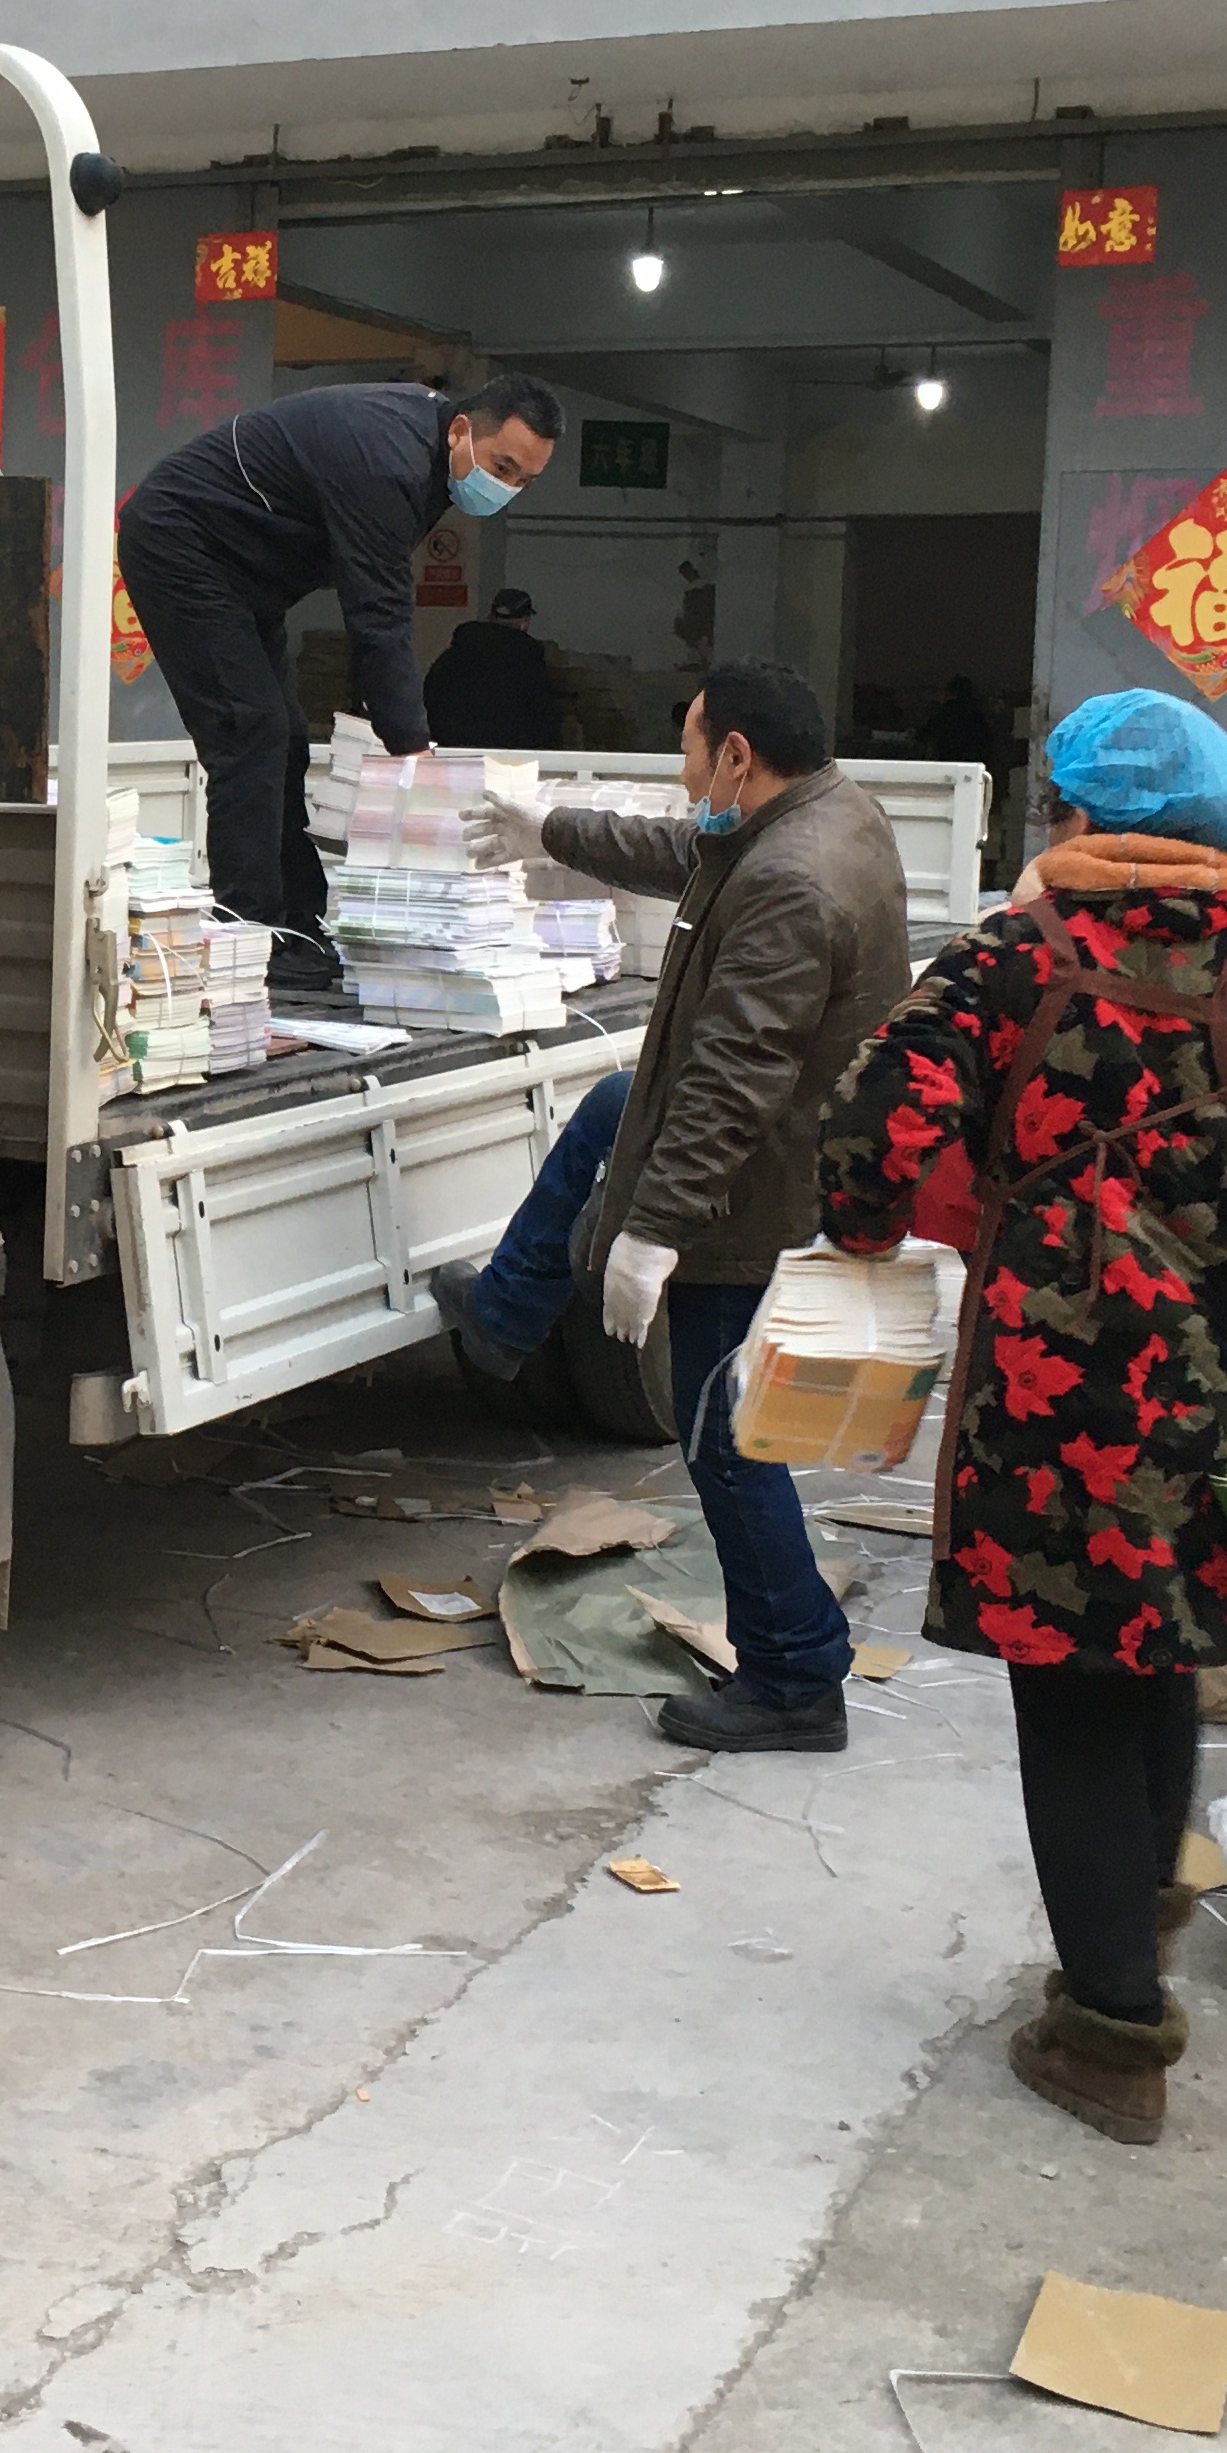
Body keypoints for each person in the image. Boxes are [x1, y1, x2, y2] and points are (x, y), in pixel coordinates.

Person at [812, 689, 1227, 2145]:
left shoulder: (1011, 960)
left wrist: (861, 1227)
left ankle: (1108, 2034)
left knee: (1076, 1695)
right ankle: (1138, 1918)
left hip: (1053, 1394)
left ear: (1085, 819)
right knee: (1165, 1656)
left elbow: (871, 1123)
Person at [429, 659, 912, 1754]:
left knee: (727, 1442)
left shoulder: (791, 884)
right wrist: (550, 829)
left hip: (754, 1197)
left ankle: (794, 1679)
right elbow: (681, 849)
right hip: (786, 1157)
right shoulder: (823, 813)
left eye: (690, 749)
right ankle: (506, 1314)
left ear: (737, 754)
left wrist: (653, 1232)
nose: (684, 774)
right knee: (612, 1104)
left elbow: (734, 1080)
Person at [116, 374, 564, 993]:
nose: (506, 487)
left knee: (286, 739)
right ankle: (249, 937)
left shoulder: (430, 457)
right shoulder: (388, 460)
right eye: (502, 467)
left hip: (246, 572)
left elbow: (376, 603)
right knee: (250, 731)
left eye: (524, 480)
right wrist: (413, 751)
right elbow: (378, 616)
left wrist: (405, 739)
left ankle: (298, 924)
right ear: (461, 430)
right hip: (183, 544)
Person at [423, 586, 563, 748]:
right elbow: (544, 718)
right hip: (508, 755)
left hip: (453, 752)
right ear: (524, 623)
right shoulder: (527, 663)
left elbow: (430, 700)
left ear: (490, 617)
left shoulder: (453, 656)